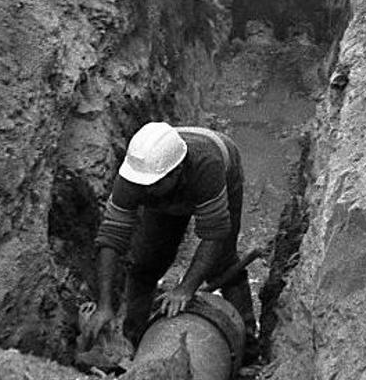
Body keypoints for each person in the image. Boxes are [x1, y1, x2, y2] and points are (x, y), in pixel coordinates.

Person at [87, 121, 258, 364]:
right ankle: (132, 338)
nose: (147, 190)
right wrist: (104, 304)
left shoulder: (207, 166)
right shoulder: (136, 177)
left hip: (220, 166)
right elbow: (111, 236)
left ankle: (249, 345)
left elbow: (215, 234)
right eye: (143, 185)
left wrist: (185, 288)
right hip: (171, 175)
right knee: (146, 262)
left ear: (177, 172)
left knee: (223, 263)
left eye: (154, 185)